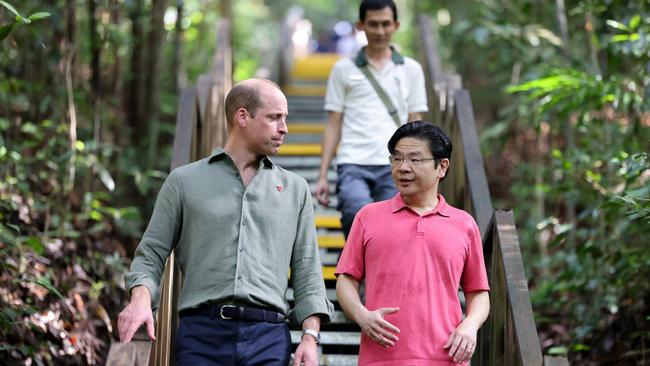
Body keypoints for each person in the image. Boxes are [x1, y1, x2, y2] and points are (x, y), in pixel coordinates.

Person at [117, 78, 334, 366]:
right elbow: (152, 253)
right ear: (242, 116)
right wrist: (141, 298)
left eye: (285, 118)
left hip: (269, 337)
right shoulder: (184, 181)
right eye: (274, 118)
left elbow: (307, 267)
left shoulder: (295, 189)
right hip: (201, 335)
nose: (284, 128)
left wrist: (310, 336)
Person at [335, 121, 490, 365]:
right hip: (380, 358)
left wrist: (469, 326)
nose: (402, 168)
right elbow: (346, 279)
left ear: (442, 167)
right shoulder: (367, 216)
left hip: (446, 357)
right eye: (396, 159)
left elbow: (478, 292)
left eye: (415, 160)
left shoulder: (464, 224)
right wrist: (361, 315)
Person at [315, 0, 429, 238]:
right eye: (373, 24)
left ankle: (374, 274)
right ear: (361, 25)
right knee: (355, 213)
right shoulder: (343, 69)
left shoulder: (411, 69)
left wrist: (420, 168)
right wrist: (323, 175)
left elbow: (416, 123)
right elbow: (333, 123)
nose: (379, 31)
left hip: (395, 163)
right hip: (352, 161)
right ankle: (356, 272)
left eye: (386, 24)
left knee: (392, 228)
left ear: (396, 25)